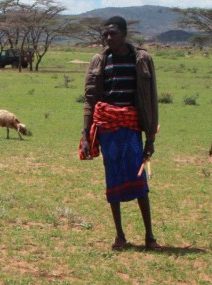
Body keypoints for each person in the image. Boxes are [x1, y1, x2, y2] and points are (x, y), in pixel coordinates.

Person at [80, 16, 161, 250]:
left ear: (124, 34)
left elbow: (150, 100)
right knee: (113, 179)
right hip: (108, 129)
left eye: (112, 33)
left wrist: (150, 139)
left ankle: (150, 236)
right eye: (105, 34)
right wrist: (85, 135)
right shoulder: (99, 61)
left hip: (133, 128)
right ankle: (120, 236)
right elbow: (89, 100)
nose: (108, 38)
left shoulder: (142, 59)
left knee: (139, 180)